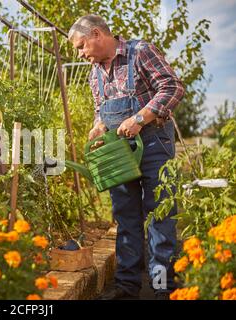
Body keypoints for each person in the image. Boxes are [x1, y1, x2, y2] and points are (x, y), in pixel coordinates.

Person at [68, 14, 185, 300]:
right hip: (120, 152)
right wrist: (98, 125)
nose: (82, 55)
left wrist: (140, 117)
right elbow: (100, 108)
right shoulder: (93, 73)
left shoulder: (140, 52)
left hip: (154, 145)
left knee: (160, 216)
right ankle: (127, 287)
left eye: (82, 46)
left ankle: (161, 288)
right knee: (126, 218)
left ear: (96, 34)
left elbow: (173, 87)